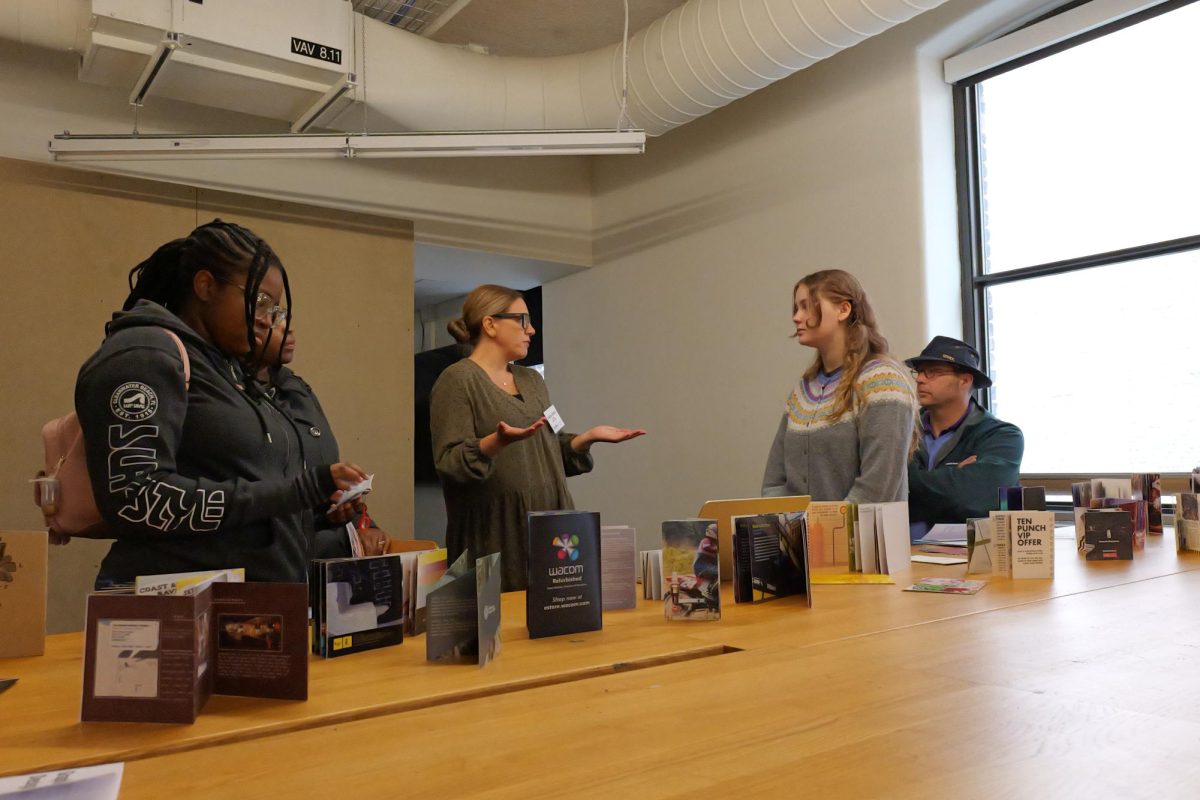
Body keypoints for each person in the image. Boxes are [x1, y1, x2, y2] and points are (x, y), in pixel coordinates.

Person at [76, 219, 368, 587]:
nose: (266, 321)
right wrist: (300, 490)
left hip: (249, 610)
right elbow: (138, 500)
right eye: (261, 302)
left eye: (275, 310)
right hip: (171, 612)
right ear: (205, 286)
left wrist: (320, 512)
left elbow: (251, 502)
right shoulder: (145, 354)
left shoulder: (231, 373)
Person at [430, 284, 645, 591]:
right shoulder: (458, 380)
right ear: (490, 324)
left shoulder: (532, 380)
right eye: (522, 320)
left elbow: (549, 444)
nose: (531, 330)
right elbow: (449, 462)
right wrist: (497, 442)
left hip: (553, 530)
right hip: (496, 537)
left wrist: (586, 438)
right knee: (508, 632)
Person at [762, 269, 917, 503]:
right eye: (796, 308)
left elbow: (876, 487)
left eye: (806, 306)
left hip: (861, 537)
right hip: (798, 538)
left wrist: (826, 531)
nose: (796, 317)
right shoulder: (803, 392)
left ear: (843, 309)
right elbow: (774, 482)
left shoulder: (882, 381)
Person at [255, 319, 387, 558]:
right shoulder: (231, 401)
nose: (288, 327)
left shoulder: (298, 390)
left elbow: (321, 475)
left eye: (283, 313)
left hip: (321, 558)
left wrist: (350, 518)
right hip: (269, 564)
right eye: (272, 317)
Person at [904, 335, 1024, 540]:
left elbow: (977, 499)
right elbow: (883, 493)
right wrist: (953, 477)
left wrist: (909, 481)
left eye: (931, 372)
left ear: (965, 380)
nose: (919, 379)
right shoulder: (902, 430)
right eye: (919, 371)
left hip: (966, 558)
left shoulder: (1002, 436)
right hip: (901, 554)